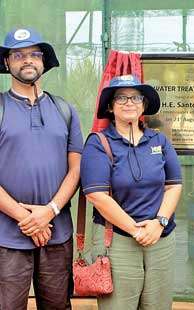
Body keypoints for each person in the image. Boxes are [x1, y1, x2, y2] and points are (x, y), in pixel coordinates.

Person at [80, 75, 182, 310]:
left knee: (158, 305)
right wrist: (135, 229)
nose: (129, 103)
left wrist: (159, 223)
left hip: (160, 238)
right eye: (121, 98)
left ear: (144, 105)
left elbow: (173, 185)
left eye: (136, 97)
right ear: (110, 106)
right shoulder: (99, 143)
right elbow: (96, 195)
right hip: (117, 239)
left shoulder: (160, 141)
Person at [0, 27, 83, 309]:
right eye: (18, 54)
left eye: (35, 54)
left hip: (57, 232)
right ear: (6, 63)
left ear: (44, 62)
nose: (28, 60)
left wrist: (50, 211)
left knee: (58, 305)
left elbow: (75, 170)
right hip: (7, 235)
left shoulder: (65, 110)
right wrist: (25, 217)